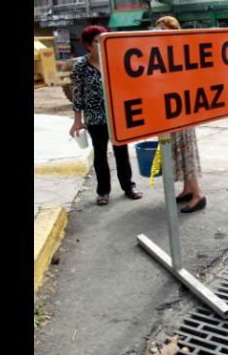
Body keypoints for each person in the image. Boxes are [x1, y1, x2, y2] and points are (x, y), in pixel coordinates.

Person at [70, 25, 143, 205]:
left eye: (103, 39)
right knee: (101, 155)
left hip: (117, 116)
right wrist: (77, 122)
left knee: (122, 152)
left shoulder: (114, 61)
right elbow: (77, 95)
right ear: (88, 45)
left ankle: (128, 186)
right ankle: (103, 191)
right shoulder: (81, 66)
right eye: (97, 41)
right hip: (95, 118)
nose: (101, 44)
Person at [155, 16, 207, 213]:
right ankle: (187, 189)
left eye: (162, 29)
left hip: (183, 110)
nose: (159, 33)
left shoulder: (181, 51)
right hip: (171, 111)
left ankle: (197, 194)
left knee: (187, 153)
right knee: (177, 152)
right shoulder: (163, 52)